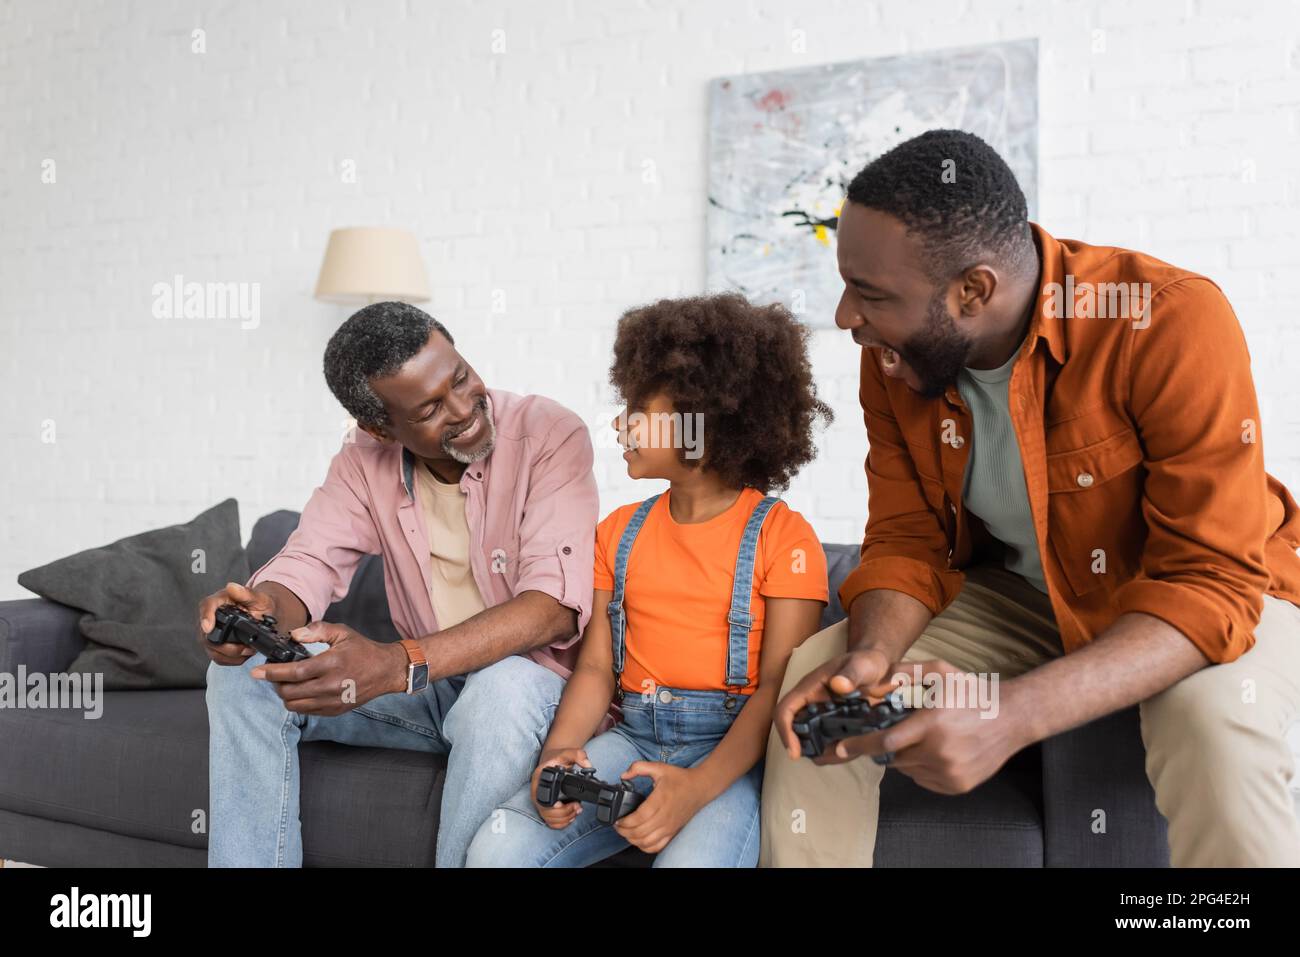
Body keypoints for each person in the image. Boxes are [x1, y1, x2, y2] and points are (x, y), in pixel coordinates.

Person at [762, 128, 1300, 868]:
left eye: (872, 293)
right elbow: (907, 539)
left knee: (1210, 718)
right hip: (1023, 593)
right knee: (818, 678)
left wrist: (1009, 714)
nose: (845, 315)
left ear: (974, 290)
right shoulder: (896, 357)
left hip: (1214, 588)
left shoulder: (1166, 318)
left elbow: (1211, 581)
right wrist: (874, 657)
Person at [200, 300, 600, 867]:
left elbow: (554, 607)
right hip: (429, 691)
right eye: (431, 408)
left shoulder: (548, 434)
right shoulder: (364, 460)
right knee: (243, 678)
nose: (465, 409)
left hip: (531, 694)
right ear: (380, 427)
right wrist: (262, 610)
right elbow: (309, 560)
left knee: (502, 689)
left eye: (460, 378)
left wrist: (398, 662)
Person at [466, 293, 831, 867]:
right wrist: (560, 753)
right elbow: (594, 668)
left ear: (698, 420)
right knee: (498, 847)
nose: (618, 423)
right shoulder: (617, 533)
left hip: (731, 760)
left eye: (637, 409)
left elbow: (776, 692)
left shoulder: (784, 539)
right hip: (632, 739)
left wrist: (693, 791)